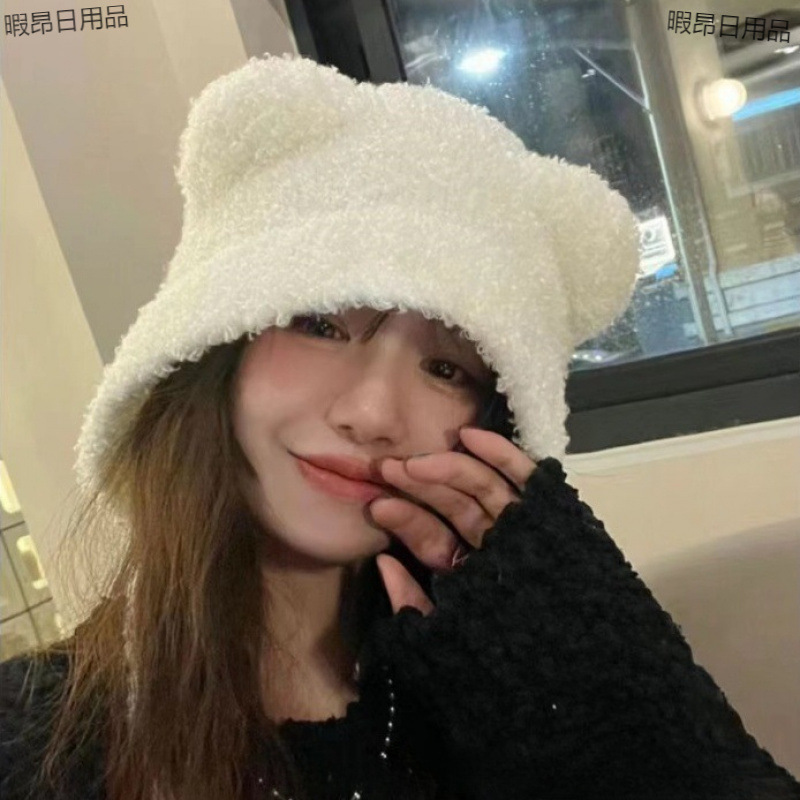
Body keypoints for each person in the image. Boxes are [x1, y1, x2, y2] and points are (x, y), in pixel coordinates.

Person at [1, 54, 798, 800]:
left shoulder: (494, 690)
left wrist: (611, 680)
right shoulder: (31, 737)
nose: (374, 414)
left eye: (448, 370)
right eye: (320, 324)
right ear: (214, 346)